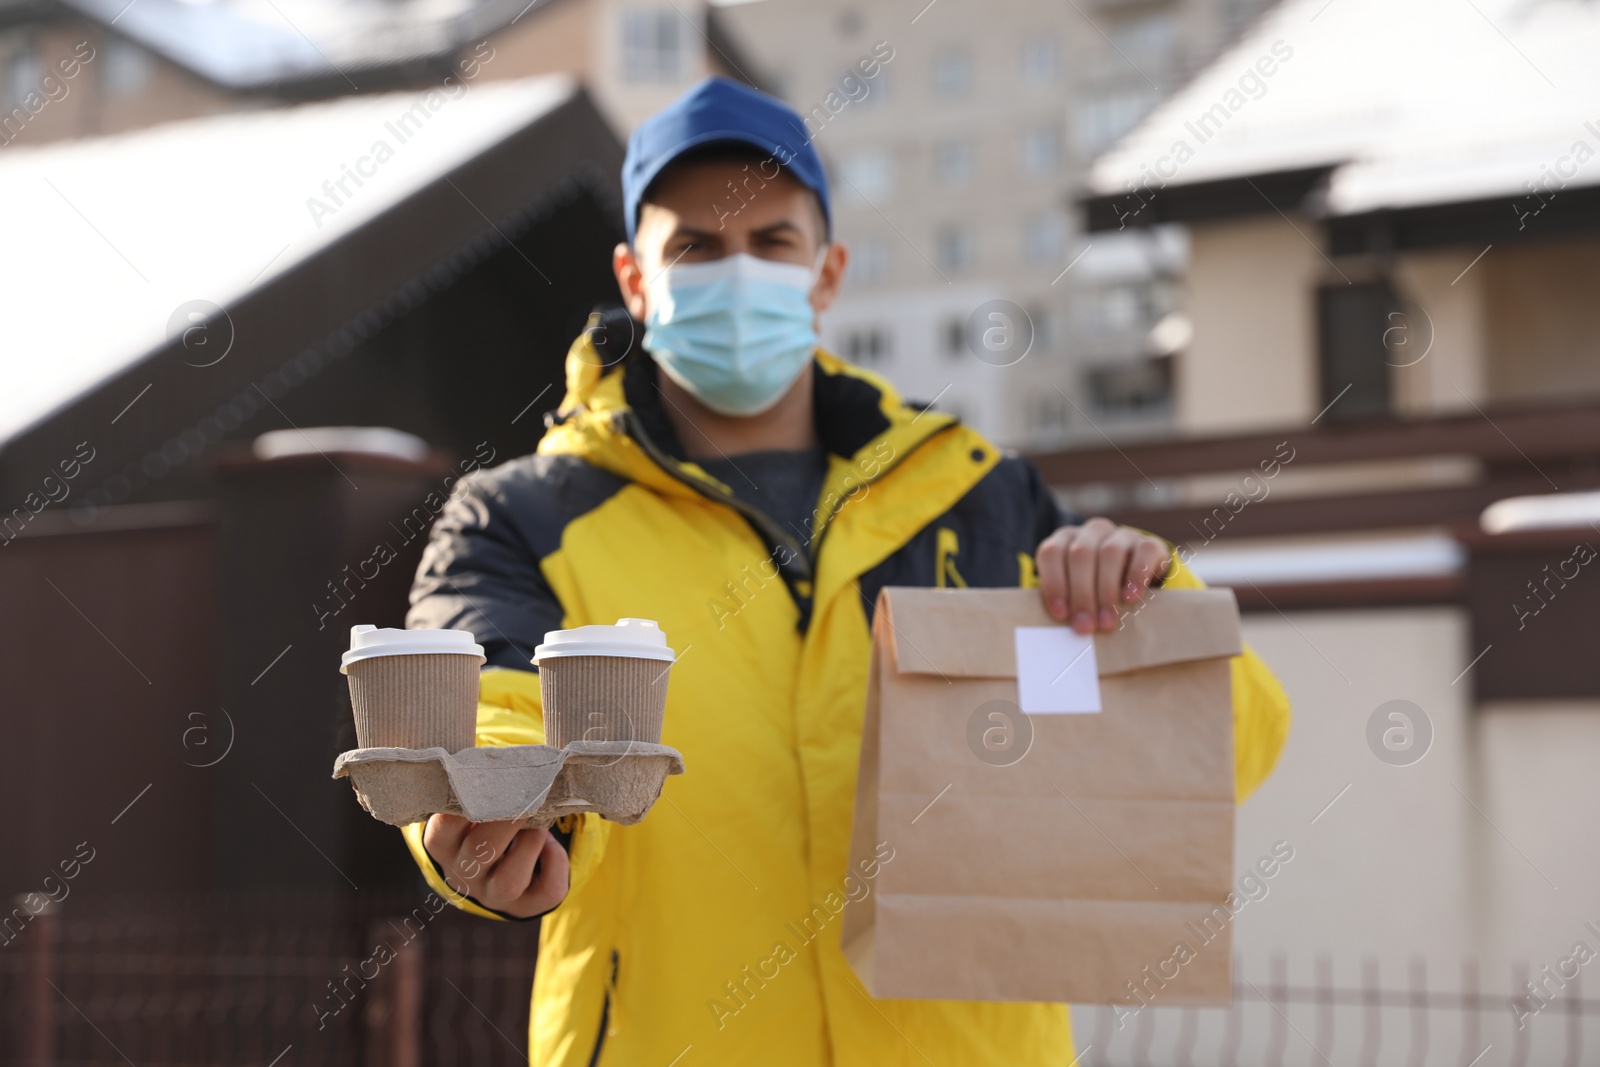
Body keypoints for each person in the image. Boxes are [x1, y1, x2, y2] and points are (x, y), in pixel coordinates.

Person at [402, 76, 1291, 1066]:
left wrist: (1145, 598)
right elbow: (486, 703)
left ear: (826, 272)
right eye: (694, 245)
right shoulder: (524, 514)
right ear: (634, 277)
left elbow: (1223, 741)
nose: (735, 272)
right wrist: (492, 799)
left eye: (770, 242)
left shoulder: (979, 499)